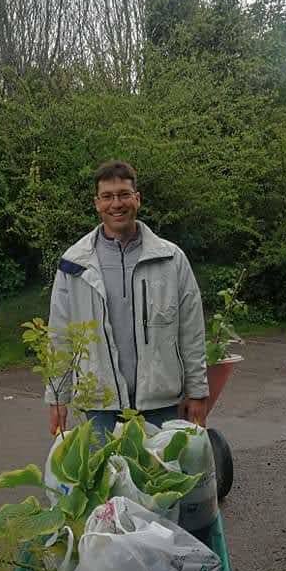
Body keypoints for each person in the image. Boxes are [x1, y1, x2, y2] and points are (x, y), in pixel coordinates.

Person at [45, 159, 209, 440]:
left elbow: (191, 332)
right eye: (107, 196)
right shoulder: (74, 264)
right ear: (97, 203)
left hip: (160, 402)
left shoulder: (171, 259)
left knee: (159, 481)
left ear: (137, 199)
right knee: (103, 481)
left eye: (123, 194)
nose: (116, 204)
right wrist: (58, 396)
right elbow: (60, 335)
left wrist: (198, 391)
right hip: (99, 403)